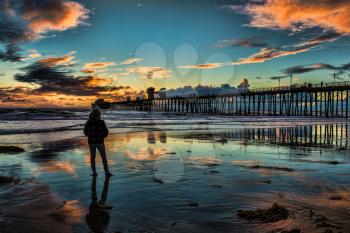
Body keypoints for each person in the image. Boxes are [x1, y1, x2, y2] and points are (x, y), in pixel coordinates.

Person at [84, 109, 112, 177]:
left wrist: (90, 135)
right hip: (100, 141)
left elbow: (85, 132)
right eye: (99, 114)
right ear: (98, 115)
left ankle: (94, 172)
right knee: (103, 157)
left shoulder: (88, 122)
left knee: (92, 157)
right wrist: (102, 136)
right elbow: (106, 132)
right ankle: (106, 172)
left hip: (91, 142)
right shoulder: (101, 122)